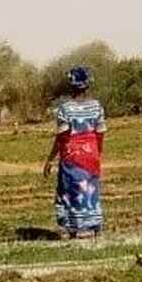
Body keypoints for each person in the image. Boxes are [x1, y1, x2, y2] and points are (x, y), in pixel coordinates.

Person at [43, 66, 106, 239]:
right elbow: (100, 133)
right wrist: (97, 152)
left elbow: (62, 137)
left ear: (70, 85)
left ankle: (72, 228)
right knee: (91, 189)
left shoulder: (66, 109)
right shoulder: (97, 107)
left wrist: (50, 159)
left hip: (72, 156)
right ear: (87, 85)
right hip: (91, 154)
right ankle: (94, 226)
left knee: (69, 190)